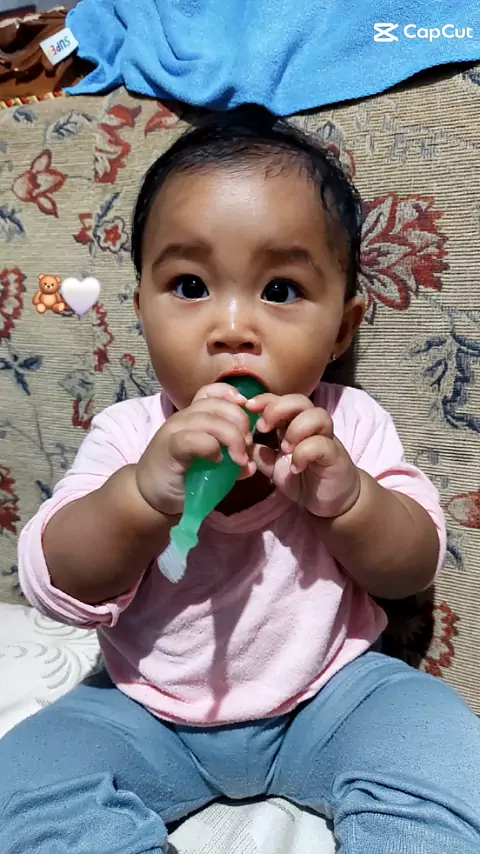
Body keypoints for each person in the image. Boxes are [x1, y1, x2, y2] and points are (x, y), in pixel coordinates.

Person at [1, 109, 480, 854]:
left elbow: (411, 567)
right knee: (19, 782)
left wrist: (351, 501)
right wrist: (139, 498)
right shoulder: (128, 433)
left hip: (334, 696)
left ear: (341, 328)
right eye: (190, 284)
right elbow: (56, 580)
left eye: (281, 290)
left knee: (450, 753)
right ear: (141, 310)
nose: (232, 328)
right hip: (144, 709)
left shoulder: (347, 422)